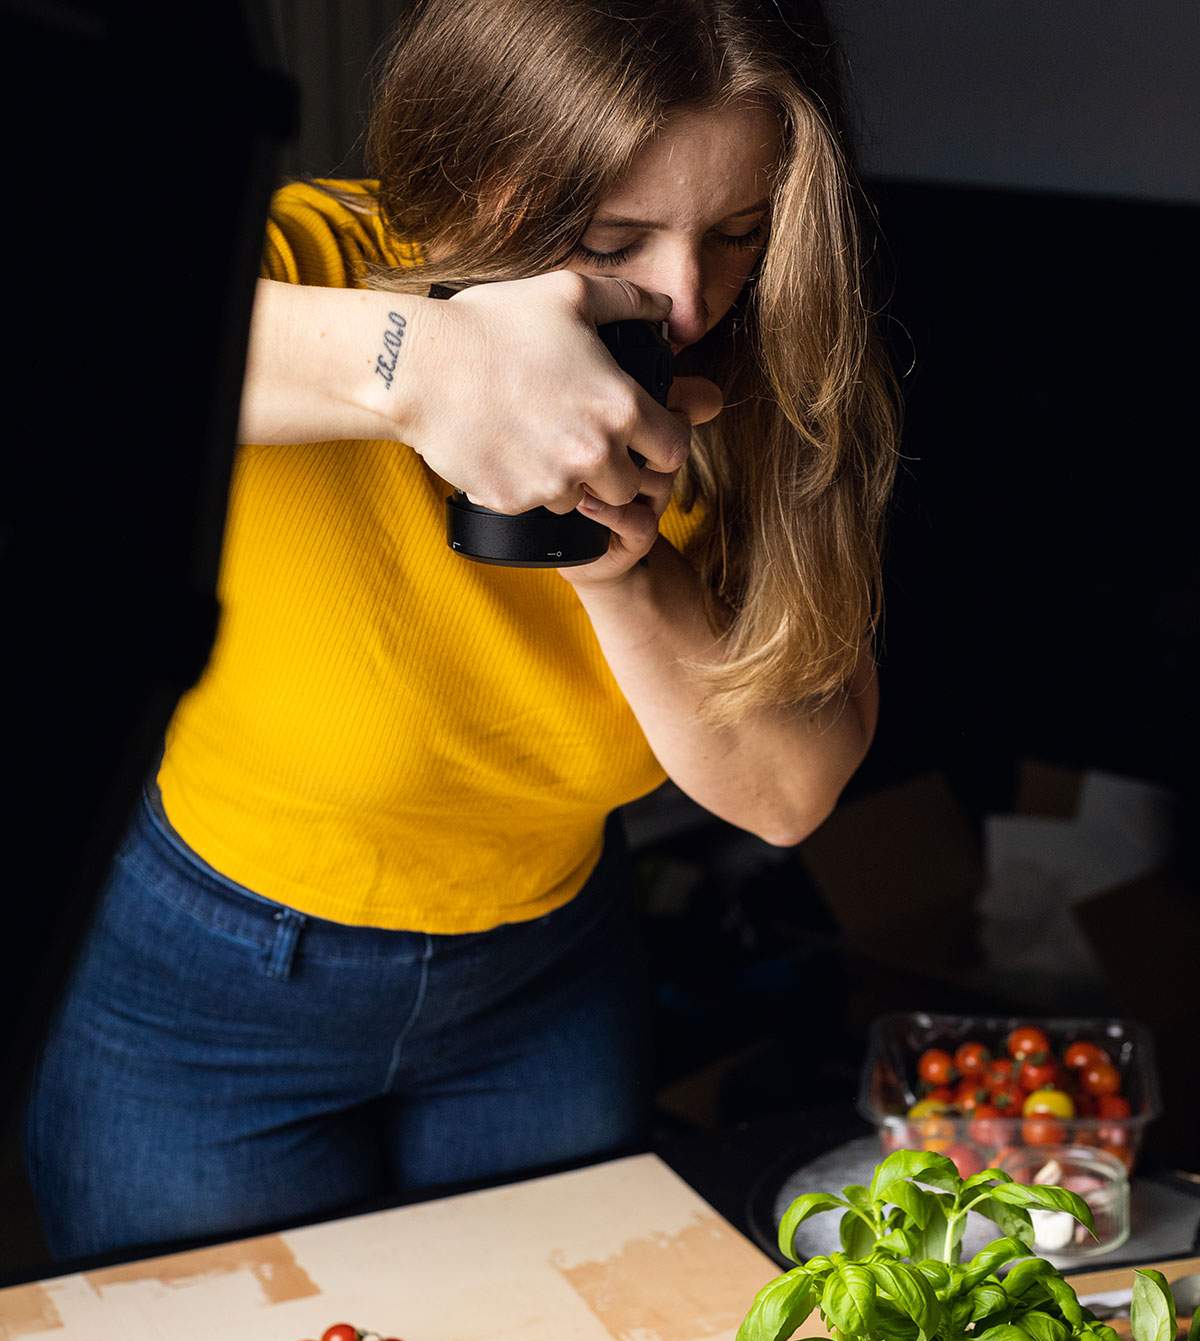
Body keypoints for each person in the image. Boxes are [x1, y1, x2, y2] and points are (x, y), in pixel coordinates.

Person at [24, 0, 899, 1260]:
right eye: (615, 236)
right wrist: (421, 365)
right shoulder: (311, 265)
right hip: (202, 986)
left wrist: (615, 559)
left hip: (542, 979)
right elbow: (63, 344)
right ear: (487, 177)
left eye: (739, 234)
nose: (688, 297)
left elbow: (784, 791)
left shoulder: (766, 367)